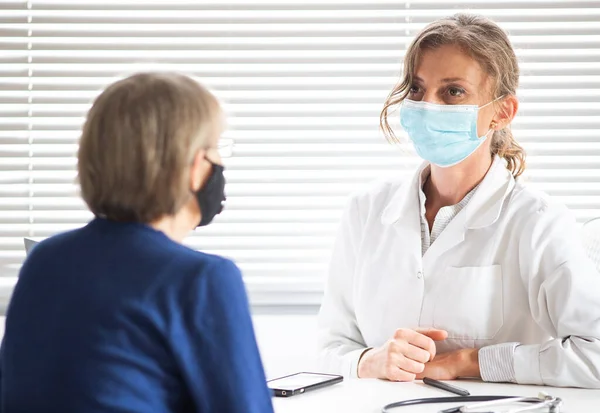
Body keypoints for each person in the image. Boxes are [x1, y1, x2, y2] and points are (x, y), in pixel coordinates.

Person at [318, 13, 600, 388]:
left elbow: (595, 354)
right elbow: (330, 346)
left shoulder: (539, 221)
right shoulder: (365, 210)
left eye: (453, 92)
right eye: (417, 89)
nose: (427, 105)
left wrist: (470, 362)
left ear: (502, 112)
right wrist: (370, 361)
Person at [0, 73, 274, 412]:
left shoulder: (44, 261)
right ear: (192, 166)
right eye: (216, 148)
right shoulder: (201, 280)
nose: (220, 163)